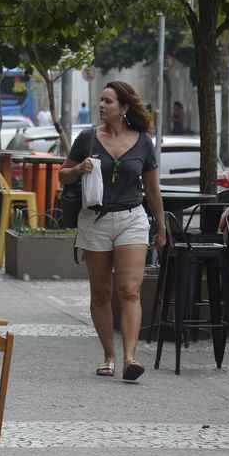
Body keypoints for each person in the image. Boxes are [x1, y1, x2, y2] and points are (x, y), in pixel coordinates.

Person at [58, 81, 166, 383]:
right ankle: (109, 354)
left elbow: (154, 190)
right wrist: (79, 170)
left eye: (108, 101)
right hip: (95, 221)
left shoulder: (143, 142)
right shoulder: (88, 139)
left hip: (132, 218)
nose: (102, 105)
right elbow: (62, 175)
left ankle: (130, 358)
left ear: (124, 107)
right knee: (102, 292)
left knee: (129, 290)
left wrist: (161, 225)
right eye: (101, 101)